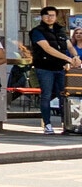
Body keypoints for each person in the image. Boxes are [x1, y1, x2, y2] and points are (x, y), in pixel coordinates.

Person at [27, 8, 79, 136]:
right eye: (46, 15)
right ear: (42, 17)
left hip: (60, 69)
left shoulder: (59, 31)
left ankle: (66, 124)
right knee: (46, 95)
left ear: (56, 17)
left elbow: (70, 46)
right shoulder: (37, 31)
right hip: (44, 68)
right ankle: (48, 124)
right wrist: (68, 58)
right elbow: (47, 48)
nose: (49, 18)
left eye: (52, 15)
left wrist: (75, 56)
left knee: (64, 95)